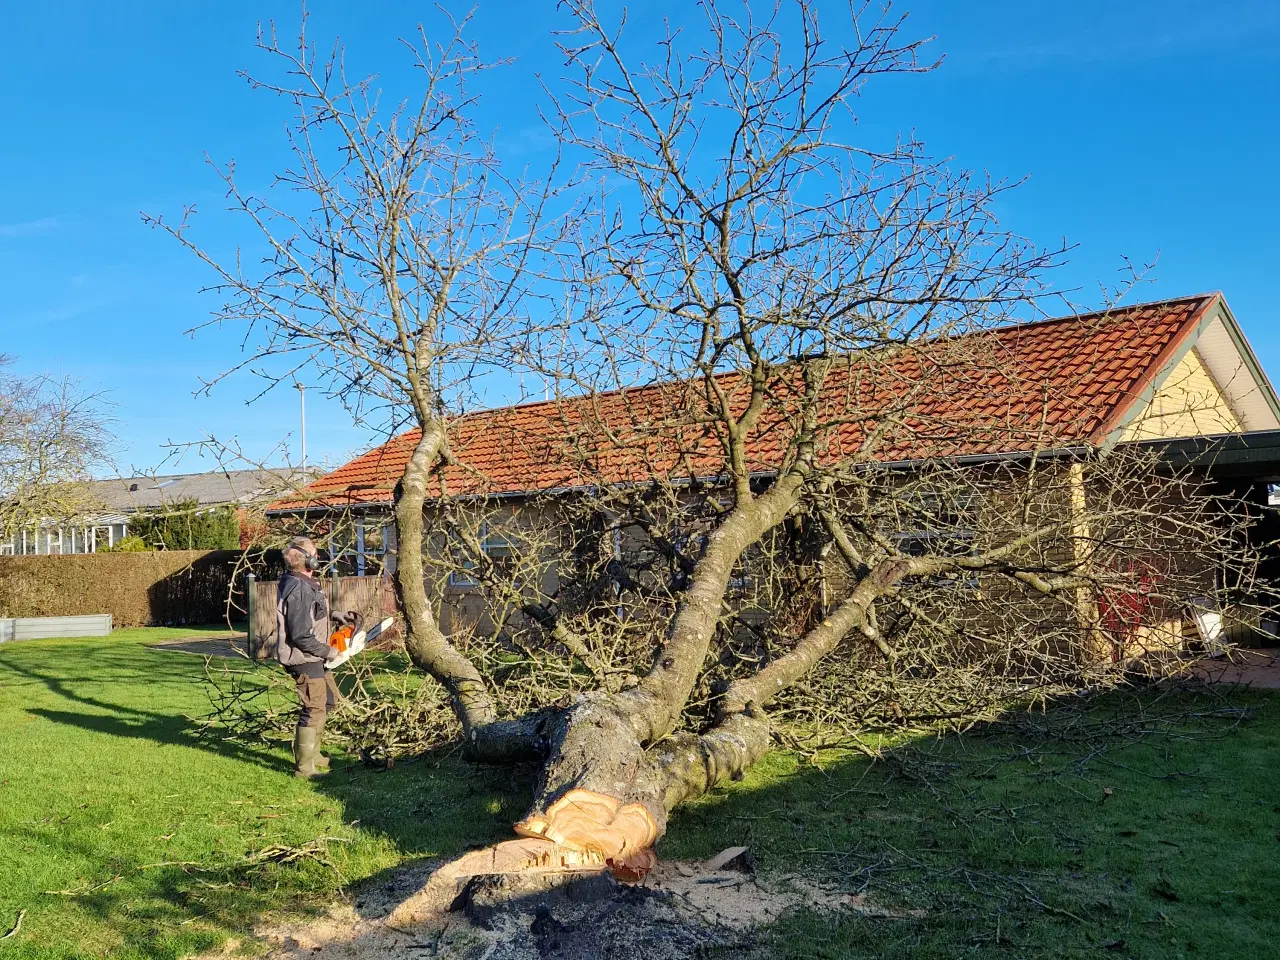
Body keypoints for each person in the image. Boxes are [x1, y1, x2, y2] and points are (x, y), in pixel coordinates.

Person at [275, 536, 352, 778]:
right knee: (314, 707)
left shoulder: (303, 582)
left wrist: (334, 614)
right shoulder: (298, 588)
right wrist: (329, 651)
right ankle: (304, 768)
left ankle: (315, 754)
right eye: (315, 554)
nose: (318, 557)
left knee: (328, 700)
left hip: (313, 656)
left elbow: (312, 612)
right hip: (303, 658)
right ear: (309, 560)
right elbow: (300, 634)